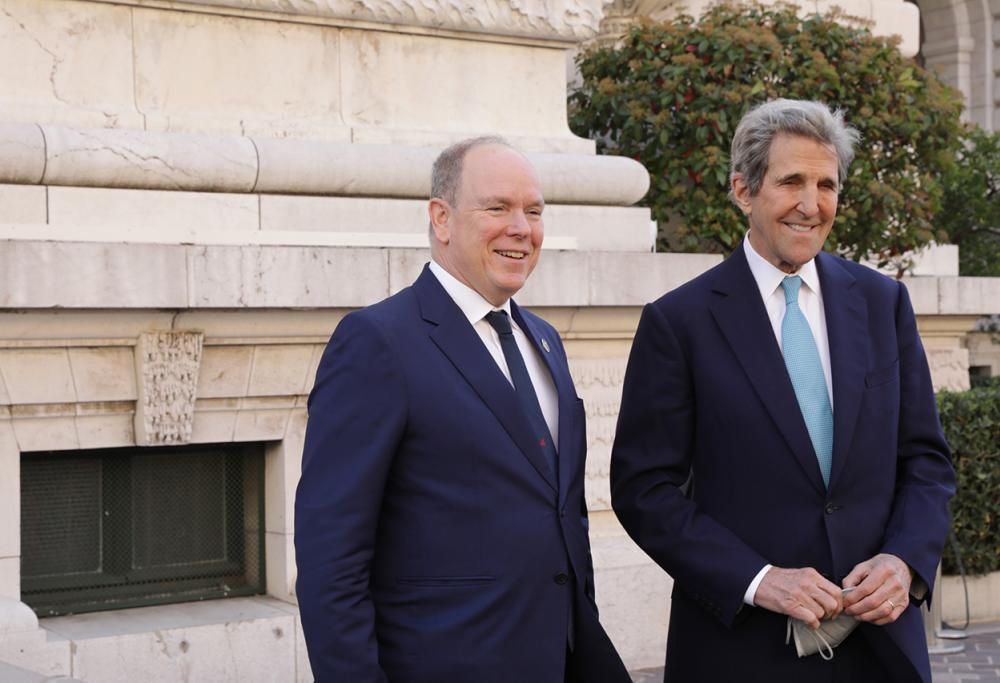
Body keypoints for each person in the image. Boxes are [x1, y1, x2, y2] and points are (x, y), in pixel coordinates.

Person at [610, 99, 956, 682]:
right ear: (744, 190)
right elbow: (645, 489)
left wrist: (905, 562)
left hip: (880, 649)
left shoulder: (882, 303)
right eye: (791, 181)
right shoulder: (680, 322)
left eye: (827, 185)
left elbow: (925, 459)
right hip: (741, 651)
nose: (811, 203)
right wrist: (756, 579)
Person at [294, 136, 630, 683]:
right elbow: (332, 559)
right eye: (497, 208)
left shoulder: (544, 339)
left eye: (534, 211)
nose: (521, 227)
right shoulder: (378, 342)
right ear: (441, 219)